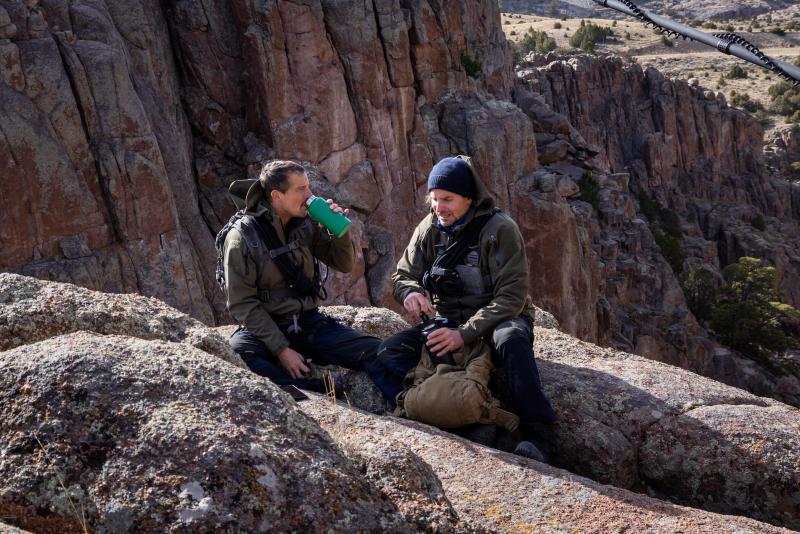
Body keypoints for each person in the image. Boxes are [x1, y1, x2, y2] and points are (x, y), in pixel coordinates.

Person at [370, 155, 556, 457]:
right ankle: (455, 415)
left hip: (498, 320)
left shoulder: (500, 230)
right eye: (434, 199)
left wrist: (464, 335)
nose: (439, 207)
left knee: (511, 340)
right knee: (387, 352)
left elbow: (511, 297)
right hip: (448, 322)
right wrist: (410, 292)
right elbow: (402, 275)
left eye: (448, 199)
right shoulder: (430, 227)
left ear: (469, 198)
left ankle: (538, 434)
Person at [223, 160, 381, 393]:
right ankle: (310, 389)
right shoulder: (242, 237)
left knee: (376, 350)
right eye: (301, 190)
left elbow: (344, 264)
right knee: (238, 352)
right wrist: (281, 350)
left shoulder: (305, 223)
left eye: (308, 187)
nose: (310, 195)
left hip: (308, 322)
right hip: (267, 327)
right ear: (277, 196)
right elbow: (241, 303)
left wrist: (336, 230)